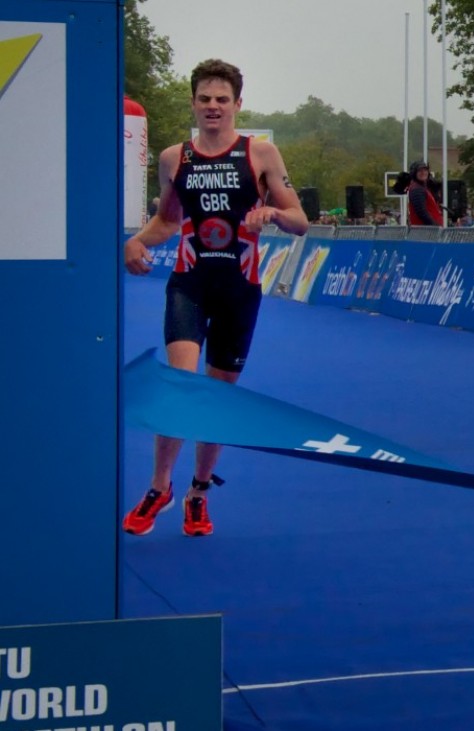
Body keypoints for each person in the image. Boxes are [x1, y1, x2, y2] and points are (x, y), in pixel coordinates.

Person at [121, 59, 309, 537]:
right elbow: (166, 220)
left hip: (238, 290)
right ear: (193, 103)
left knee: (218, 395)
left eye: (221, 99)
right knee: (181, 386)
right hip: (190, 283)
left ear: (237, 105)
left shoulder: (260, 154)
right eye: (204, 98)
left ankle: (198, 491)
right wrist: (137, 241)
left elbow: (300, 221)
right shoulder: (174, 158)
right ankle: (159, 486)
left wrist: (270, 212)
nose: (212, 107)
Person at [406, 160, 443, 227]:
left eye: (425, 170)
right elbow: (421, 212)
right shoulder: (417, 189)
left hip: (426, 231)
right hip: (425, 232)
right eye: (420, 171)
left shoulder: (421, 188)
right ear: (414, 173)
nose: (423, 173)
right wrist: (435, 227)